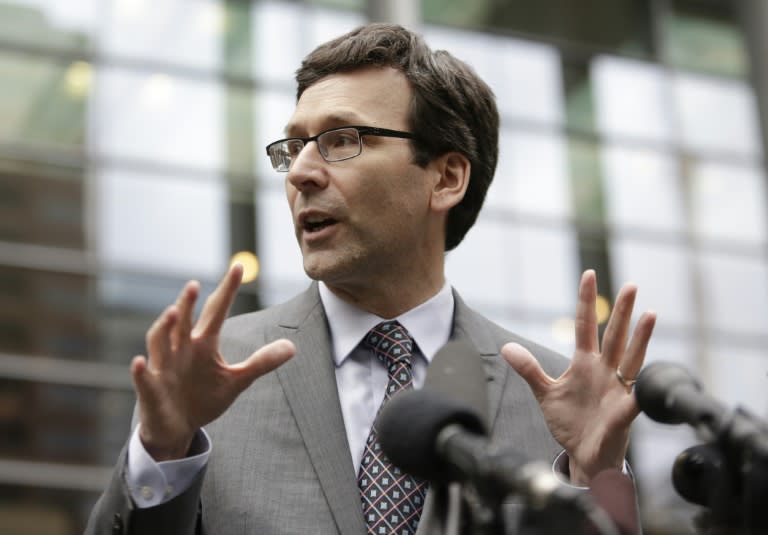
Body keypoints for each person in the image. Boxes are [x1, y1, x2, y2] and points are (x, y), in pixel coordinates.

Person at [85, 23, 656, 535]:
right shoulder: (208, 378)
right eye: (295, 146)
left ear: (447, 178)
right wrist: (162, 454)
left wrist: (594, 475)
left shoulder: (554, 398)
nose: (303, 173)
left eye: (341, 140)